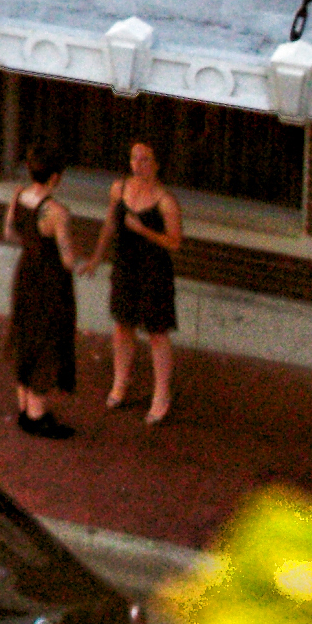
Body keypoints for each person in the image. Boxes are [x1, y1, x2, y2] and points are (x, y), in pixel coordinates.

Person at [2, 143, 84, 438]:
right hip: (50, 281)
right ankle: (36, 416)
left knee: (25, 334)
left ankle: (25, 406)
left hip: (26, 273)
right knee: (47, 340)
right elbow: (67, 259)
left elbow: (9, 232)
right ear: (54, 177)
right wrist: (81, 260)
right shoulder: (57, 212)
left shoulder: (18, 196)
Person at [102, 138, 185, 425]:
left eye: (144, 159)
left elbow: (174, 242)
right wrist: (97, 257)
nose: (137, 165)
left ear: (157, 164)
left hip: (154, 271)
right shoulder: (119, 188)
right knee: (122, 326)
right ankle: (120, 382)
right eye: (133, 158)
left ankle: (161, 394)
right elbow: (110, 223)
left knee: (157, 333)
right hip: (125, 266)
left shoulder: (166, 201)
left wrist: (143, 230)